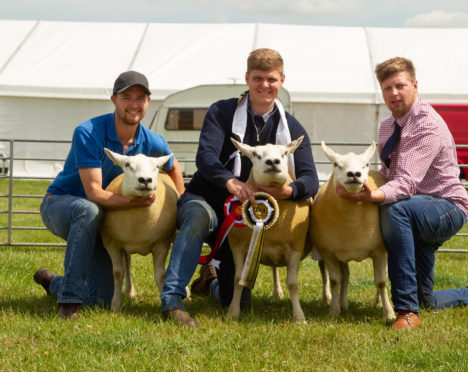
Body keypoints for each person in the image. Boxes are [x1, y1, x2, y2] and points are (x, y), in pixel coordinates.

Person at [336, 57, 468, 330]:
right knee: (428, 299)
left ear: (415, 85)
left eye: (400, 85)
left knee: (394, 207)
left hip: (446, 207)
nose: (394, 93)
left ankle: (406, 311)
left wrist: (372, 196)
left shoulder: (426, 124)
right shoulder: (388, 126)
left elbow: (406, 183)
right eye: (387, 88)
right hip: (416, 209)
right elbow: (389, 172)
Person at [160, 48, 318, 327]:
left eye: (271, 79)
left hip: (249, 221)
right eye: (258, 78)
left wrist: (289, 192)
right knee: (196, 216)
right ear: (247, 78)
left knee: (238, 302)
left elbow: (310, 178)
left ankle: (211, 281)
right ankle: (172, 301)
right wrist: (229, 181)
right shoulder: (221, 112)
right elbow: (205, 157)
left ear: (282, 80)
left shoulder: (292, 127)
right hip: (208, 199)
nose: (264, 85)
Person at [33, 71, 184, 319]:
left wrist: (181, 206)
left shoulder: (152, 140)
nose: (134, 104)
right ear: (114, 100)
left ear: (148, 102)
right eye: (127, 97)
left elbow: (172, 165)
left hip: (103, 219)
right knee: (88, 209)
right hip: (64, 205)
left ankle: (53, 283)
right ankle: (69, 301)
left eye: (140, 98)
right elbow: (92, 193)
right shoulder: (88, 132)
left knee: (100, 299)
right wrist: (134, 202)